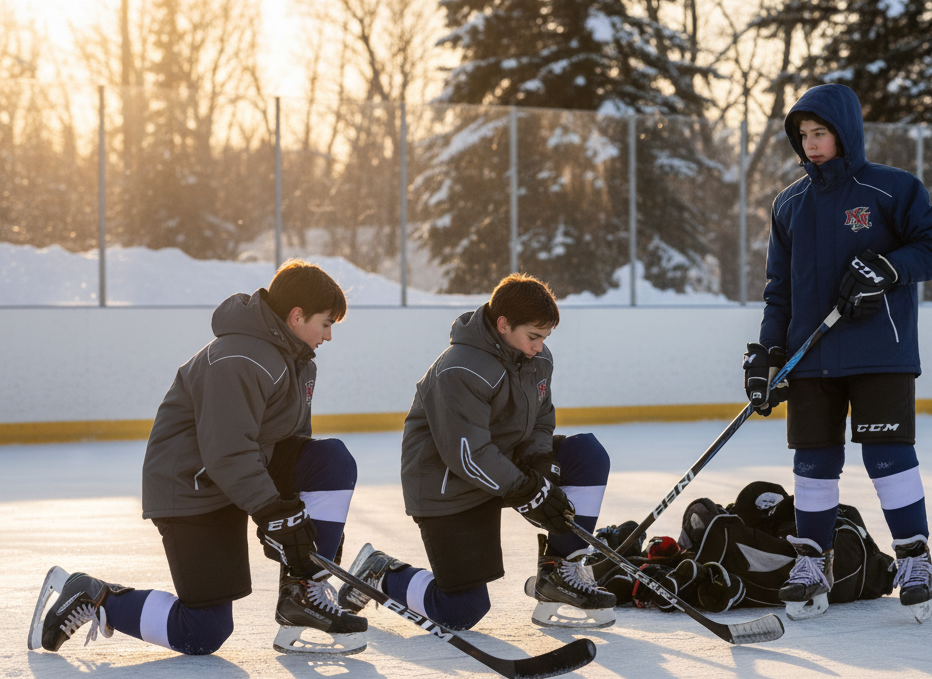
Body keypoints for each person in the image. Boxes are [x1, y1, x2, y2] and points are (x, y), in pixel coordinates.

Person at [28, 259, 368, 657]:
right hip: (191, 485)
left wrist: (304, 520)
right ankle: (92, 596)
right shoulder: (240, 358)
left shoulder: (297, 364)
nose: (328, 336)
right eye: (326, 324)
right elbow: (225, 450)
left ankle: (303, 593)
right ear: (296, 316)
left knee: (331, 460)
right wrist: (272, 510)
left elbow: (296, 446)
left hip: (240, 473)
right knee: (203, 632)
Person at [743, 83, 932, 623]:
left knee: (887, 459)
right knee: (813, 463)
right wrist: (770, 353)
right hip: (810, 357)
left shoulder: (890, 189)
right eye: (804, 136)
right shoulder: (789, 203)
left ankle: (914, 556)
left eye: (821, 133)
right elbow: (779, 290)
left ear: (845, 132)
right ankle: (813, 561)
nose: (812, 145)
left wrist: (887, 269)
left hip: (879, 351)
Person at [338, 273, 617, 631]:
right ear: (503, 324)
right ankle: (381, 572)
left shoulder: (537, 359)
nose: (539, 347)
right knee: (461, 610)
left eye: (544, 338)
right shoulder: (460, 368)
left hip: (503, 464)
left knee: (586, 454)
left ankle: (558, 574)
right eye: (533, 336)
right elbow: (467, 455)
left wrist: (540, 465)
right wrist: (528, 490)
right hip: (448, 485)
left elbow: (541, 419)